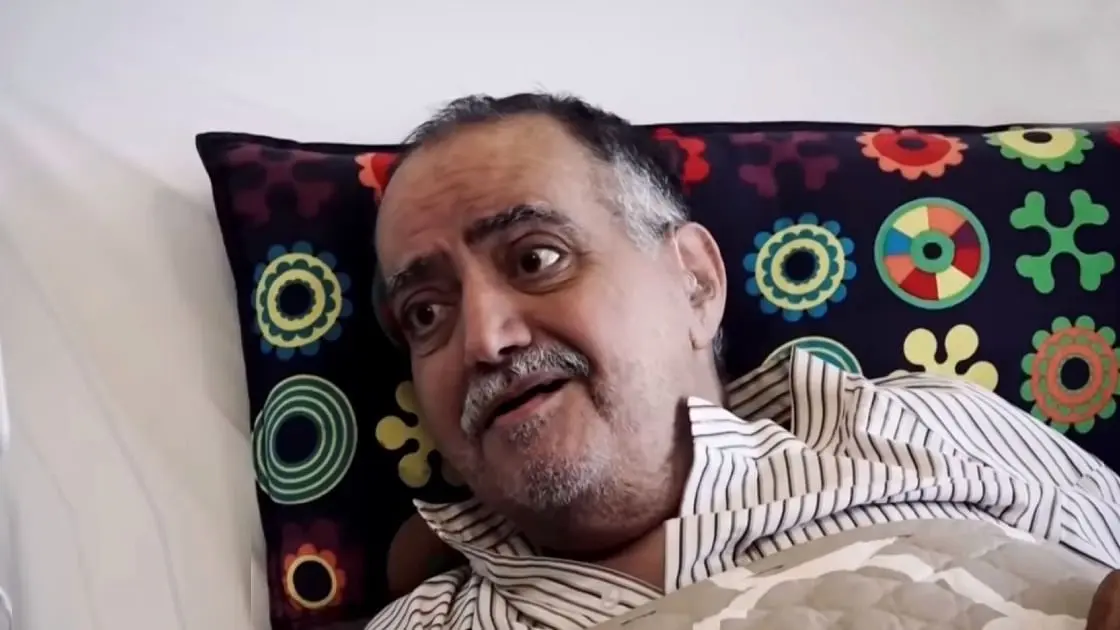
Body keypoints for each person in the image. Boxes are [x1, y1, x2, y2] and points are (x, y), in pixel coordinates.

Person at [367, 93, 1120, 630]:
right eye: (426, 313)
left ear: (695, 283)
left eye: (537, 258)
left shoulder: (928, 428)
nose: (484, 340)